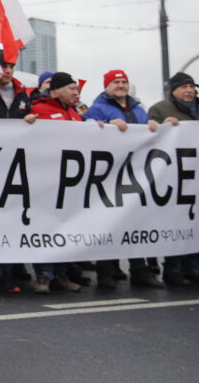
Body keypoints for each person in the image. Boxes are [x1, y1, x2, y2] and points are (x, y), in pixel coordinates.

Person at [82, 69, 165, 289]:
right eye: (116, 82)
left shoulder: (138, 109)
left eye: (124, 81)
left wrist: (154, 127)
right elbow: (84, 131)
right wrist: (106, 127)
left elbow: (148, 131)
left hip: (136, 173)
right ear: (107, 86)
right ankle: (105, 271)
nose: (120, 85)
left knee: (136, 223)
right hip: (109, 175)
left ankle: (139, 270)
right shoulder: (97, 108)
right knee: (108, 223)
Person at [147, 72, 199, 287]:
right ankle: (174, 269)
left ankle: (196, 267)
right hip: (173, 176)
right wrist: (162, 125)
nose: (189, 90)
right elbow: (151, 133)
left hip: (198, 175)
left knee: (197, 222)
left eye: (192, 86)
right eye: (184, 87)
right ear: (174, 90)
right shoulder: (160, 108)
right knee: (176, 224)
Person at [26, 72, 87, 294]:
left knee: (65, 227)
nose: (75, 92)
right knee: (45, 228)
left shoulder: (75, 114)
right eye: (71, 88)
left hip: (69, 183)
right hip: (45, 182)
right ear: (55, 91)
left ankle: (60, 273)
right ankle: (43, 275)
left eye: (76, 89)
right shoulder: (39, 110)